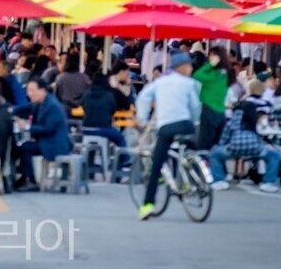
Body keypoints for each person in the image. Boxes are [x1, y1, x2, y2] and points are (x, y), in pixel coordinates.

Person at [135, 52, 202, 221]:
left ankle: (148, 205)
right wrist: (194, 121)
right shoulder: (191, 83)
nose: (191, 68)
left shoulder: (160, 82)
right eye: (189, 65)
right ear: (183, 67)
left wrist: (142, 119)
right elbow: (195, 106)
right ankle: (192, 179)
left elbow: (143, 97)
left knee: (156, 164)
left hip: (166, 126)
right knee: (190, 152)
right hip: (186, 124)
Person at [208, 95, 281, 193]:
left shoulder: (232, 122)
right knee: (274, 156)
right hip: (255, 148)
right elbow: (261, 134)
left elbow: (224, 139)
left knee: (214, 155)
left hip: (234, 148)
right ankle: (268, 183)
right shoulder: (254, 121)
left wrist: (221, 145)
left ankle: (219, 181)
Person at [13, 78, 72, 192]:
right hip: (46, 140)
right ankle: (25, 177)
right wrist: (11, 110)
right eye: (28, 90)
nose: (29, 94)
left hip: (54, 144)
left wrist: (27, 126)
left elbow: (48, 129)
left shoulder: (52, 106)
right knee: (22, 147)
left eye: (32, 90)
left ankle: (30, 179)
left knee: (26, 148)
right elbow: (27, 108)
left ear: (43, 90)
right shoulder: (40, 103)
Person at [193, 46, 234, 150]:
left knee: (204, 144)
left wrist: (210, 65)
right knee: (218, 144)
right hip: (221, 111)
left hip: (208, 110)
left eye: (212, 55)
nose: (209, 57)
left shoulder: (214, 74)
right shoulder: (225, 74)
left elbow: (197, 75)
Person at [82, 72, 127, 149]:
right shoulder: (109, 95)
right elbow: (113, 109)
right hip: (104, 128)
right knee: (121, 139)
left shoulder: (87, 94)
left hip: (87, 128)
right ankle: (124, 159)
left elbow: (83, 107)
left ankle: (90, 158)